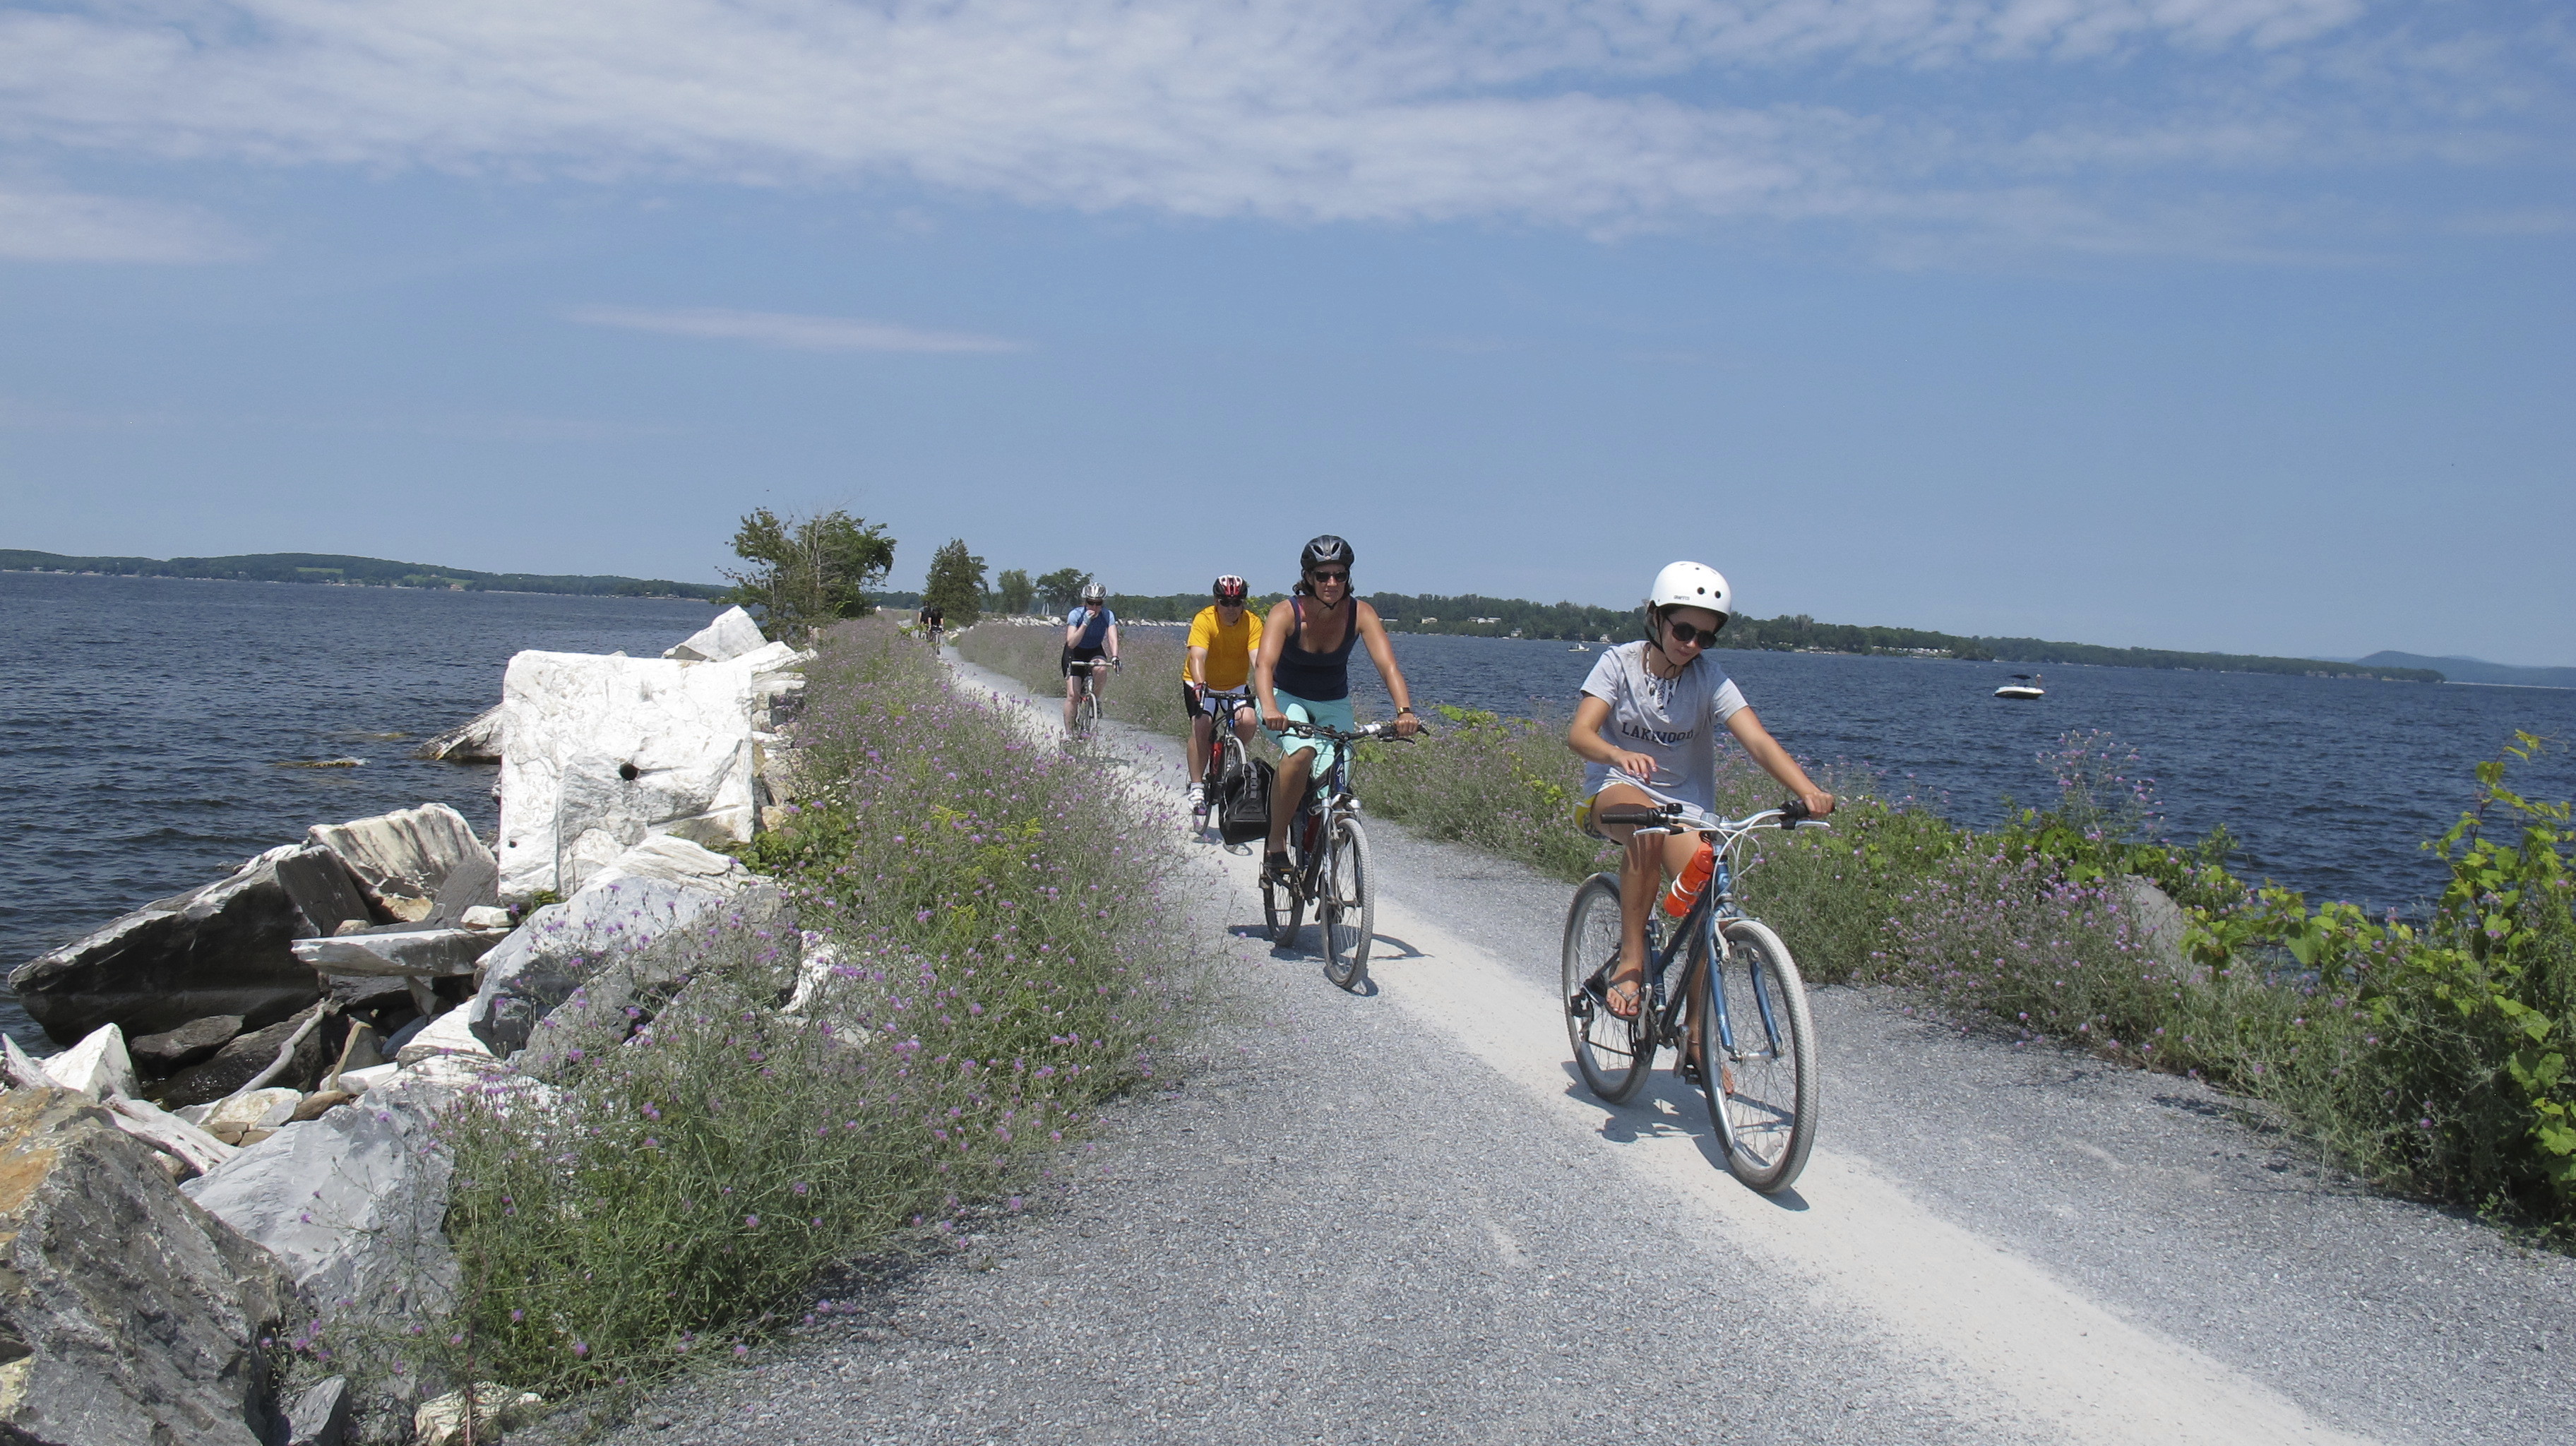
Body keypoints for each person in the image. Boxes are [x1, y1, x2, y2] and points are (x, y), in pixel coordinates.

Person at [1566, 561, 1833, 1034]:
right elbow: (1580, 734)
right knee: (1646, 826)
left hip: (1684, 807)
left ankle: (1698, 1039)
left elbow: (1759, 741)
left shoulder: (1708, 679)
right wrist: (1618, 752)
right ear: (1655, 616)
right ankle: (1631, 962)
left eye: (1705, 637)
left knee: (1708, 899)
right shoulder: (1618, 663)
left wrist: (1807, 790)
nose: (1691, 644)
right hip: (1615, 790)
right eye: (1683, 629)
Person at [1251, 535, 1419, 883]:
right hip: (1284, 698)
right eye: (1323, 575)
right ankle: (1276, 843)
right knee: (1302, 753)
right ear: (1308, 577)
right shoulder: (1286, 612)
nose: (1332, 584)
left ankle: (1320, 851)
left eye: (1339, 576)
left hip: (1334, 703)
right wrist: (1269, 706)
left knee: (1337, 787)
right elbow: (1264, 666)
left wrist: (1404, 711)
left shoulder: (1361, 614)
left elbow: (1388, 666)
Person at [1184, 575, 1263, 823]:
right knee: (1202, 725)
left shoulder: (1253, 623)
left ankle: (1230, 759)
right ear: (1216, 601)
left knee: (1249, 721)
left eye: (1237, 602)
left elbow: (1258, 660)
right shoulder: (1205, 619)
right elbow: (1198, 656)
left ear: (1244, 603)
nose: (1231, 608)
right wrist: (1200, 685)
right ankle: (1197, 786)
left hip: (1235, 684)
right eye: (1225, 602)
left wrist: (1267, 685)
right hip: (1201, 682)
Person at [1061, 581, 1120, 736]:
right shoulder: (1076, 614)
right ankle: (1069, 733)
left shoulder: (1108, 615)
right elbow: (1071, 642)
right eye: (1090, 603)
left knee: (1101, 669)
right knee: (1073, 696)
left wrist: (1115, 657)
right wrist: (1085, 624)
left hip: (1094, 650)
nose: (1094, 607)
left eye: (1098, 603)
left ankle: (1095, 700)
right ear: (1085, 602)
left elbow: (1112, 637)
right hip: (1074, 652)